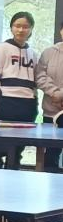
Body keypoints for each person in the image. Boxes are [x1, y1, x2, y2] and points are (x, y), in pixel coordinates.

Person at [0, 11, 38, 169]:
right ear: (11, 27)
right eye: (17, 26)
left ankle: (13, 174)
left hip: (27, 104)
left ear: (31, 29)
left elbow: (35, 81)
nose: (21, 30)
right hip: (5, 101)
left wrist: (34, 99)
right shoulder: (1, 48)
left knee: (18, 148)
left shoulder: (33, 53)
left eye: (25, 26)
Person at [36, 23, 63, 170]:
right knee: (51, 153)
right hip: (51, 111)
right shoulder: (49, 52)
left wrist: (61, 94)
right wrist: (54, 93)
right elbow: (40, 76)